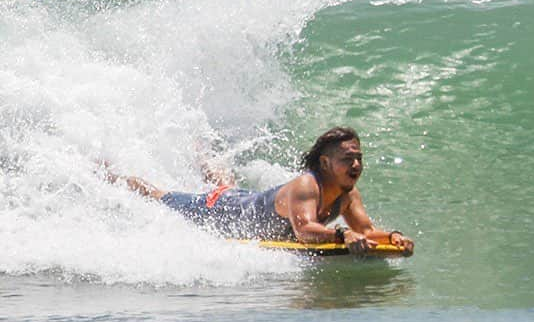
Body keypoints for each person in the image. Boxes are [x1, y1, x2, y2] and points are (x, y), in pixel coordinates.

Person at [105, 127, 414, 256]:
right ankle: (112, 175)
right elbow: (305, 230)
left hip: (245, 202)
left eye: (359, 158)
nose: (357, 164)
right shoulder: (307, 186)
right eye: (348, 159)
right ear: (325, 162)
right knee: (163, 197)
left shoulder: (348, 193)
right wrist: (341, 236)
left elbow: (366, 230)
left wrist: (392, 237)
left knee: (228, 187)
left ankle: (203, 153)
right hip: (225, 211)